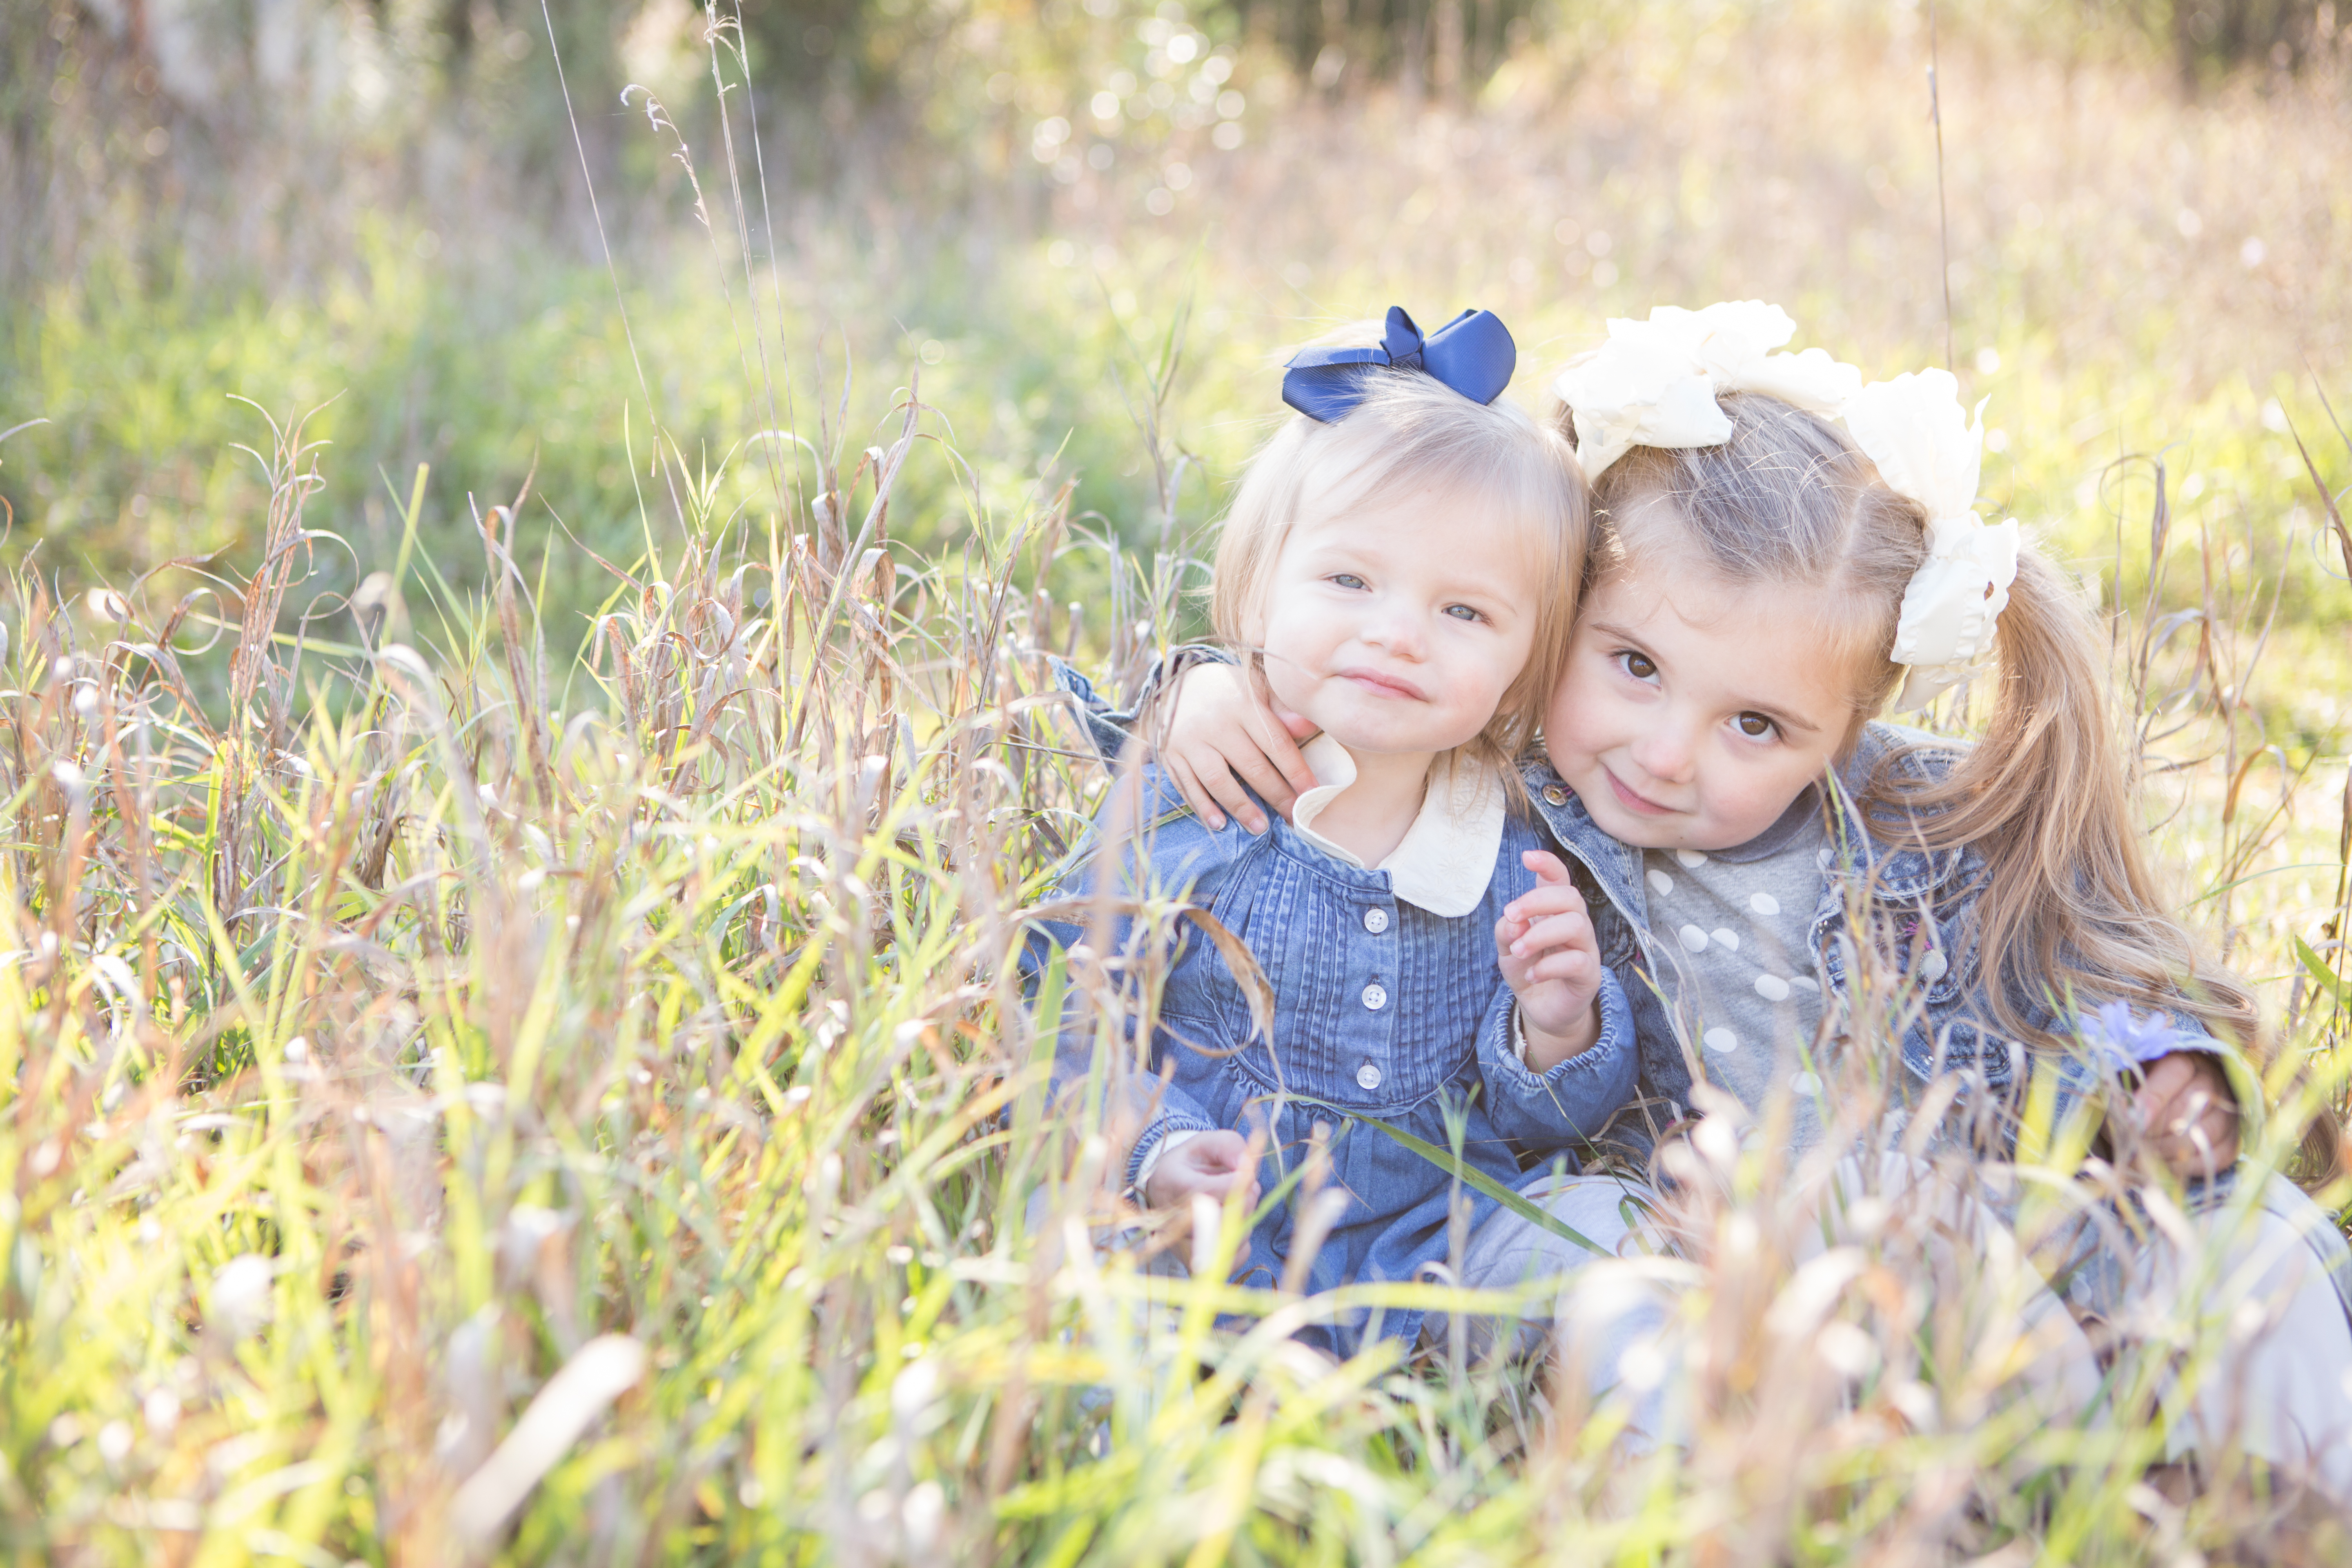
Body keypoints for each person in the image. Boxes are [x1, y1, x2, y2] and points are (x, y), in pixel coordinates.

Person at [1126, 301, 2352, 1496]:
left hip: (1954, 1203)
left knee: (2274, 1241)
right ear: (1557, 610)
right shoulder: (1494, 778)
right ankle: (1938, 1494)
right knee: (1641, 1305)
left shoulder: (1916, 816)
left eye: (1757, 725)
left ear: (1853, 722)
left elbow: (2078, 950)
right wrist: (1203, 687)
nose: (1667, 753)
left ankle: (2279, 1508)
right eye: (1636, 666)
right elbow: (1367, 645)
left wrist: (2156, 1065)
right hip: (1710, 1251)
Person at [1032, 306, 1648, 1361]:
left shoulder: (1513, 839)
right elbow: (1061, 1005)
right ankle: (1192, 1473)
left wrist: (1561, 1024)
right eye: (1350, 582)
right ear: (1262, 584)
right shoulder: (1199, 792)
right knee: (1105, 1303)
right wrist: (1153, 1147)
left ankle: (1654, 1464)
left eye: (1466, 614)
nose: (1397, 633)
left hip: (1445, 1240)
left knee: (1619, 1241)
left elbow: (1548, 1127)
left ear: (1526, 661)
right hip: (1217, 1237)